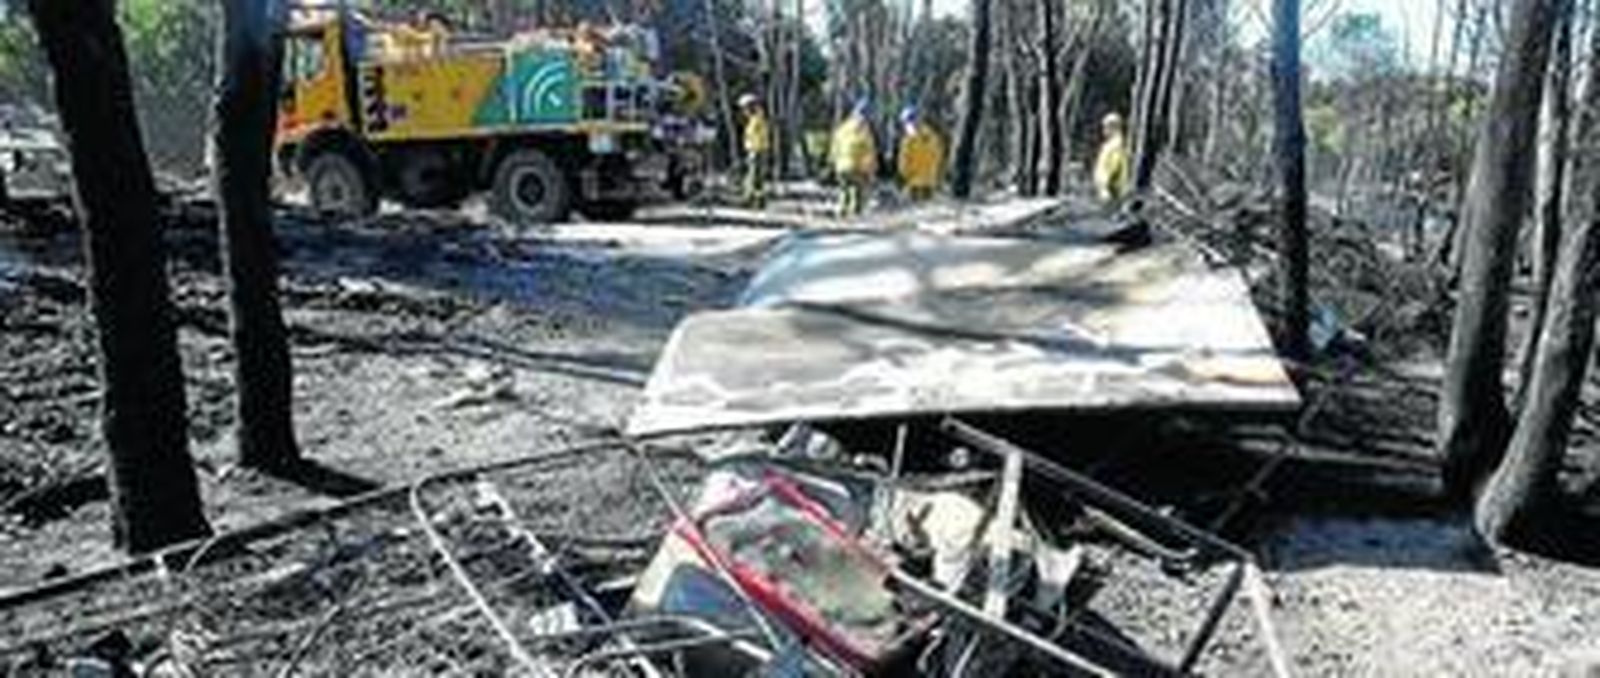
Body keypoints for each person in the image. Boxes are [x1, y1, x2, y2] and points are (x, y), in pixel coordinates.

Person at [830, 99, 878, 217]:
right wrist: (872, 169)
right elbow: (869, 151)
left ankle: (841, 212)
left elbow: (835, 146)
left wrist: (833, 162)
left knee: (844, 190)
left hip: (841, 166)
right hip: (857, 166)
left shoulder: (843, 128)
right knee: (857, 191)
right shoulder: (864, 131)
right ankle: (854, 215)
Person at [895, 106, 944, 202]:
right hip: (929, 181)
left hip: (914, 183)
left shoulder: (910, 139)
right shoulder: (933, 136)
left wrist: (902, 177)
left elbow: (904, 159)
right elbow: (939, 157)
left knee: (914, 212)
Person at [739, 94, 771, 209]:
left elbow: (758, 138)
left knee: (755, 178)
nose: (744, 112)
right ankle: (751, 199)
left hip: (757, 151)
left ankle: (755, 201)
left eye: (745, 108)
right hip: (755, 151)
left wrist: (753, 151)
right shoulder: (755, 119)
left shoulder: (757, 119)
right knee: (752, 177)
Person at [1093, 112, 1131, 204]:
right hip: (1109, 191)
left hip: (1111, 193)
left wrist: (1104, 188)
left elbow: (1113, 168)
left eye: (1105, 127)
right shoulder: (1112, 145)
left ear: (1113, 128)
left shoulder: (1115, 147)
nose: (1103, 131)